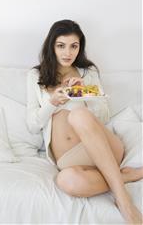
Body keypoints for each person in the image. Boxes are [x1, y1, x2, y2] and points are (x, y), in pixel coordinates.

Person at [26, 19, 143, 224]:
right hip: (69, 161)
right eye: (61, 46)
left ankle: (124, 200)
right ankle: (124, 176)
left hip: (105, 147)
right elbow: (32, 125)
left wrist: (84, 94)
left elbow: (104, 116)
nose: (67, 53)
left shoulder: (88, 73)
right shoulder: (35, 76)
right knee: (66, 181)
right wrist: (52, 103)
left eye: (74, 46)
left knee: (78, 115)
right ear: (51, 46)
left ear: (80, 47)